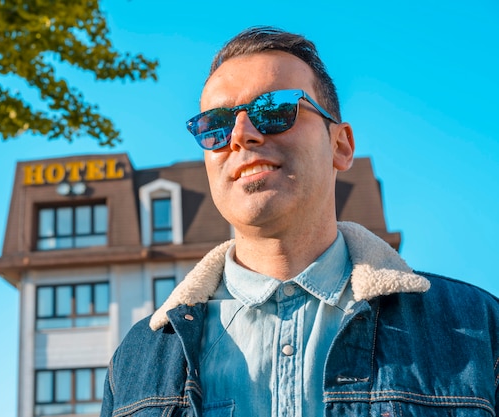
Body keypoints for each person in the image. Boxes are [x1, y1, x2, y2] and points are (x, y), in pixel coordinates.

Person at [100, 26, 499, 417]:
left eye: (274, 110)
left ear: (340, 146)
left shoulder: (479, 330)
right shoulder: (136, 362)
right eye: (215, 126)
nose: (241, 135)